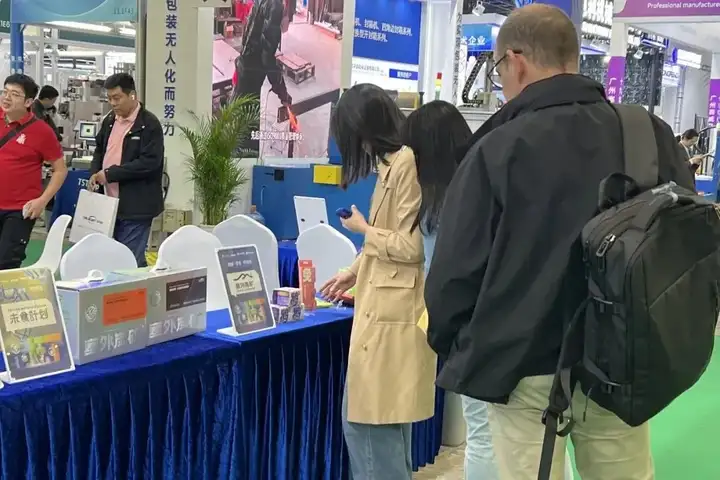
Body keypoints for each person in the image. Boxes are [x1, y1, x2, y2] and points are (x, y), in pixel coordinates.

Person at [424, 5, 695, 480]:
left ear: (516, 61)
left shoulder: (498, 147)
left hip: (520, 362)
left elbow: (453, 274)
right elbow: (684, 241)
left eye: (498, 69)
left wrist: (462, 344)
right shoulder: (648, 133)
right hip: (621, 357)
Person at [404, 101, 575, 480]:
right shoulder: (491, 187)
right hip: (526, 327)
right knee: (545, 435)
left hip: (474, 335)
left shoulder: (436, 207)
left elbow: (443, 281)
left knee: (483, 434)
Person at [320, 84, 436, 480]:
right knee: (379, 429)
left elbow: (410, 246)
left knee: (371, 431)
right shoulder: (392, 165)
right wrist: (353, 271)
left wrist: (363, 229)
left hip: (393, 319)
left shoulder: (406, 165)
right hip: (384, 314)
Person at [89, 73, 164, 267]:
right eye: (109, 98)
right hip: (108, 205)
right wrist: (94, 172)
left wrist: (109, 174)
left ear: (132, 95)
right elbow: (100, 149)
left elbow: (149, 162)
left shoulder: (149, 124)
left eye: (117, 98)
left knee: (129, 261)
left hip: (136, 206)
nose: (113, 103)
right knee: (111, 259)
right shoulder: (110, 120)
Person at [0, 74, 67, 269]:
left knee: (6, 264)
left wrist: (42, 200)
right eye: (5, 92)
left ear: (28, 102)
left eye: (15, 94)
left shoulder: (42, 131)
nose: (7, 97)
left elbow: (60, 170)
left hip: (19, 210)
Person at [233, 0, 292, 150]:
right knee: (247, 136)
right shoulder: (275, 5)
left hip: (243, 67)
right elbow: (267, 58)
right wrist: (282, 92)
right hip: (251, 77)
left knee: (237, 125)